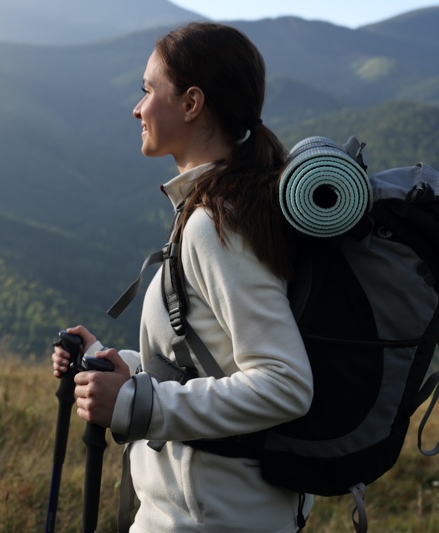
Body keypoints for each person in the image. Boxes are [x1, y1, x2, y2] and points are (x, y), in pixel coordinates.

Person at [52, 22, 314, 532]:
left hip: (207, 519)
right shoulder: (221, 207)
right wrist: (117, 365)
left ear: (192, 103)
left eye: (149, 90)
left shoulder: (217, 225)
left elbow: (284, 383)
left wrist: (136, 403)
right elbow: (211, 361)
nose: (138, 108)